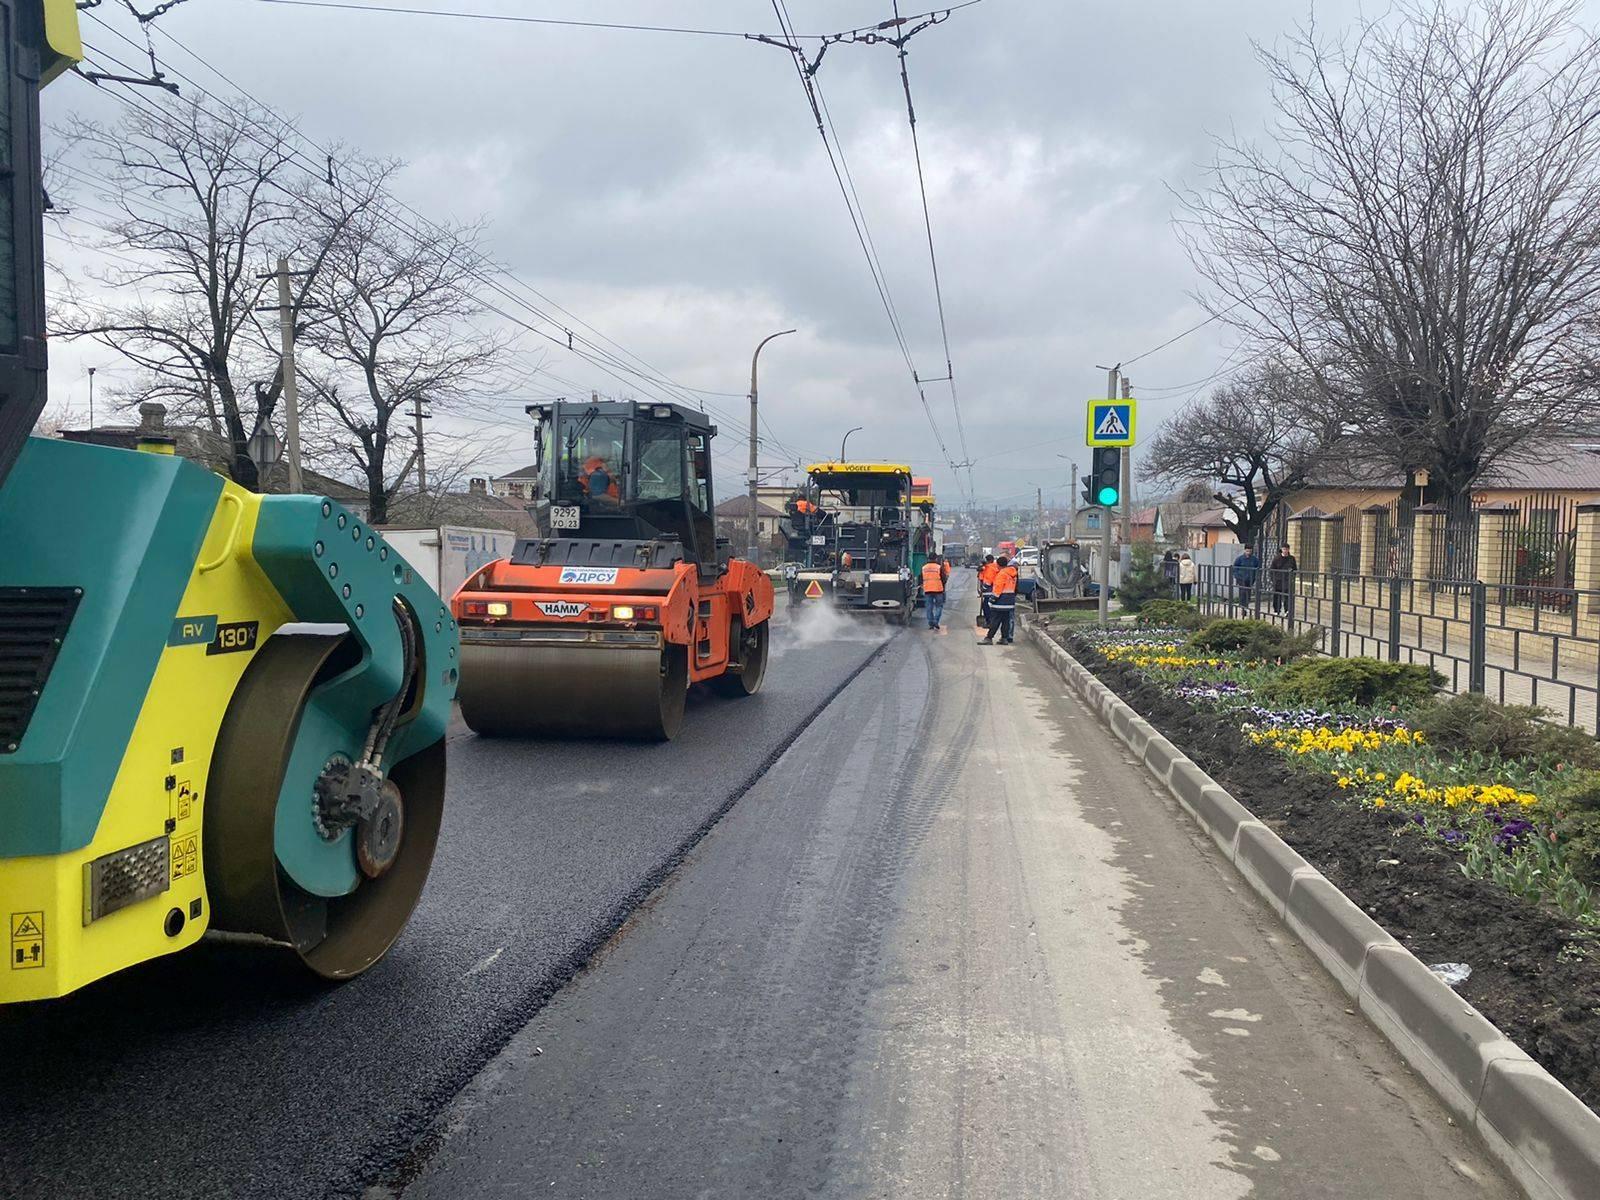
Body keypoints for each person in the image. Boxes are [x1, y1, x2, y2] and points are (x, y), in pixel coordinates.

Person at [982, 555, 1018, 644]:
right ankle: (1004, 638)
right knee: (1006, 621)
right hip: (1010, 601)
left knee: (995, 620)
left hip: (1000, 601)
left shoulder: (1001, 574)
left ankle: (989, 638)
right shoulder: (1013, 574)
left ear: (998, 565)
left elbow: (998, 588)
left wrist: (992, 599)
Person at [920, 552, 949, 632]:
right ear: (936, 558)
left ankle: (931, 623)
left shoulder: (924, 568)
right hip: (938, 589)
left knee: (929, 607)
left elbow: (921, 579)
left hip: (927, 590)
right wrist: (943, 586)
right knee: (939, 606)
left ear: (928, 558)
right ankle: (936, 621)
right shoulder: (939, 567)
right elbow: (944, 578)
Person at [1269, 545, 1297, 614]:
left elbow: (1294, 569)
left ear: (1288, 550)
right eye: (1284, 549)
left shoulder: (1291, 558)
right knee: (1277, 596)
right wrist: (1273, 579)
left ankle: (1287, 610)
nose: (1285, 551)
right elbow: (1272, 569)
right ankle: (1277, 610)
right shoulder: (1277, 558)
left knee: (1287, 596)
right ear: (1281, 549)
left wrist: (1292, 578)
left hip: (1287, 580)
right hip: (1278, 580)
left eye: (1286, 549)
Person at [977, 553, 998, 629]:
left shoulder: (990, 568)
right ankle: (989, 621)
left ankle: (989, 622)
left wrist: (983, 588)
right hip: (991, 591)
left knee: (986, 607)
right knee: (986, 606)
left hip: (989, 591)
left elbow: (989, 580)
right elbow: (981, 573)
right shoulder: (991, 567)